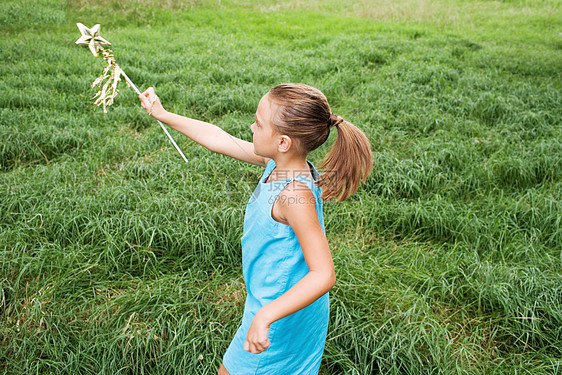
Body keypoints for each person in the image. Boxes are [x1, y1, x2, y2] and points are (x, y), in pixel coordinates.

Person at [139, 83, 372, 374]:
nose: (251, 126)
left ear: (283, 142)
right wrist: (163, 114)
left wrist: (265, 316)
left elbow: (323, 274)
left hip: (280, 313)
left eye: (259, 124)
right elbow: (216, 138)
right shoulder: (279, 164)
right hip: (277, 303)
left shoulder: (294, 195)